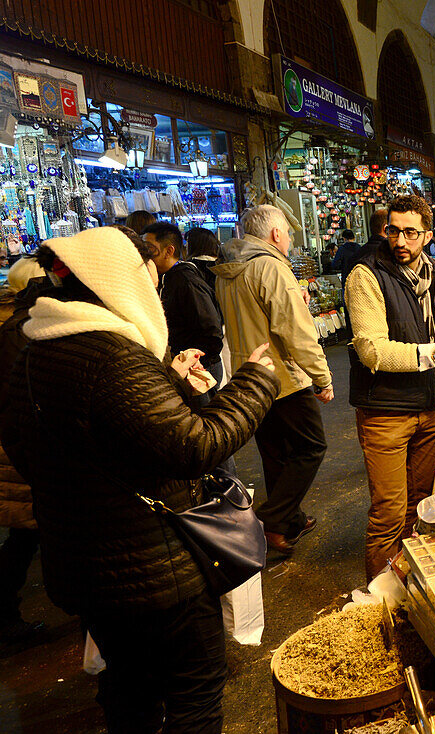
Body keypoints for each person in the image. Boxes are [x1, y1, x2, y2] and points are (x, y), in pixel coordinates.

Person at [1, 226, 279, 733]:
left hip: (84, 572)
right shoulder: (110, 353)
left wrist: (167, 384)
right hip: (155, 573)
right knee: (194, 695)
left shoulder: (33, 351)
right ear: (119, 282)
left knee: (129, 692)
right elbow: (195, 447)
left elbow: (40, 445)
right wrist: (254, 381)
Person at [344, 194, 435, 578]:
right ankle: (379, 600)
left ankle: (411, 584)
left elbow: (425, 331)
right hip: (385, 413)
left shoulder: (432, 272)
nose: (400, 241)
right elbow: (372, 350)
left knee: (424, 501)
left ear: (427, 234)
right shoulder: (365, 275)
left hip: (428, 406)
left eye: (410, 232)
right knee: (389, 512)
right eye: (393, 231)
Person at [213, 205, 334, 555]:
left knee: (275, 453)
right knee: (311, 446)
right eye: (289, 234)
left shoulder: (228, 270)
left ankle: (288, 521)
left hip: (248, 375)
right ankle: (268, 520)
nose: (290, 241)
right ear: (276, 234)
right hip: (282, 377)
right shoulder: (271, 267)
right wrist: (322, 377)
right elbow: (295, 330)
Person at [0, 257, 50, 645]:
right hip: (17, 456)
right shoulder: (22, 331)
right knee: (24, 537)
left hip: (16, 451)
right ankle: (4, 614)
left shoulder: (14, 324)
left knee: (26, 536)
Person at [144, 223, 225, 387]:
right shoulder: (166, 278)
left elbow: (212, 329)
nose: (144, 255)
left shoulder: (186, 281)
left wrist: (196, 361)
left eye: (149, 249)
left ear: (169, 251)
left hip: (198, 370)